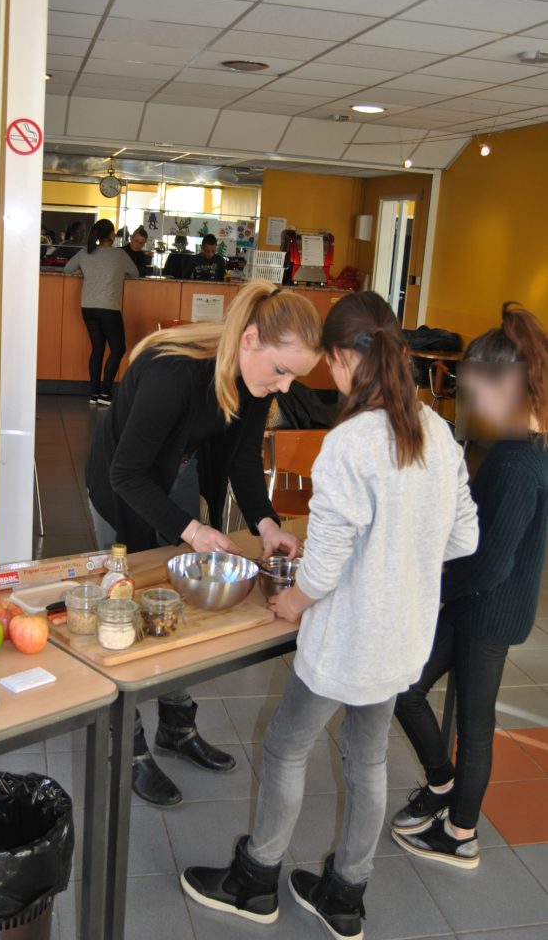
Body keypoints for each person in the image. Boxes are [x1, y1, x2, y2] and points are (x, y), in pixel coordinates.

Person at [181, 291, 478, 938]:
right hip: (402, 638)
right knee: (365, 760)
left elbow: (325, 563)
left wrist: (295, 599)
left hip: (347, 639)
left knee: (287, 748)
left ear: (345, 357)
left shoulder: (350, 443)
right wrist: (403, 545)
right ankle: (345, 895)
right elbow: (462, 541)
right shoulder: (437, 432)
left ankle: (255, 881)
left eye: (328, 365)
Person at [86, 281, 323, 806]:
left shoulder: (254, 381)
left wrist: (266, 525)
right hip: (123, 485)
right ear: (251, 340)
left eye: (295, 377)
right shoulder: (176, 372)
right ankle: (129, 747)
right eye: (282, 371)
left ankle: (175, 725)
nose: (286, 388)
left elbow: (240, 460)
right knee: (128, 609)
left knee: (177, 605)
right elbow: (127, 473)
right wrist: (192, 531)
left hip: (176, 472)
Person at [391, 303, 548, 869]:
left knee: (475, 726)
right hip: (481, 605)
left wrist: (437, 586)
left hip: (486, 608)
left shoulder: (515, 461)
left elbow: (491, 563)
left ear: (509, 383)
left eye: (475, 388)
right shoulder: (528, 446)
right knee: (406, 687)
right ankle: (440, 785)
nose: (468, 400)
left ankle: (460, 832)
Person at [64, 219, 138, 406]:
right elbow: (135, 273)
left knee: (98, 349)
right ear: (112, 235)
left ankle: (94, 394)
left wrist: (85, 271)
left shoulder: (85, 252)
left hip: (88, 307)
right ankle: (106, 394)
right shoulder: (119, 254)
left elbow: (67, 269)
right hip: (108, 308)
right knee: (118, 349)